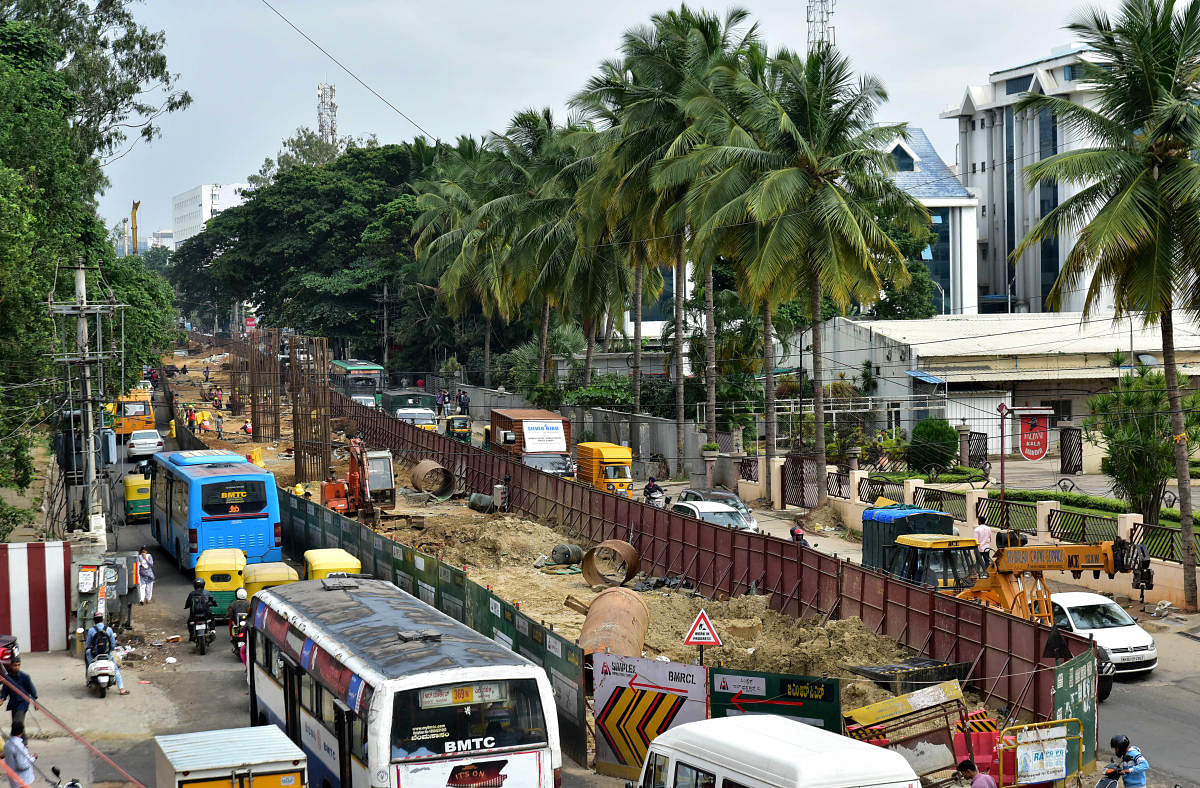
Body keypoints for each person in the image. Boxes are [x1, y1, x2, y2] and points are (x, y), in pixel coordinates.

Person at [84, 614, 128, 695]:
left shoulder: (91, 630)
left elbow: (87, 645)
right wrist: (109, 652)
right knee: (116, 669)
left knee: (87, 653)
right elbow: (113, 644)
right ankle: (121, 689)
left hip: (95, 655)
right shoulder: (109, 629)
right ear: (102, 619)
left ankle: (90, 674)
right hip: (107, 654)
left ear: (94, 620)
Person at [0, 659, 36, 726]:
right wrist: (2, 699)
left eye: (18, 665)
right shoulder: (8, 678)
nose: (17, 667)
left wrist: (35, 702)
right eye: (15, 665)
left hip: (23, 703)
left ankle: (18, 736)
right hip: (13, 703)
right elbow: (5, 691)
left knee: (18, 723)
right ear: (11, 666)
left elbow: (32, 690)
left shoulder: (25, 677)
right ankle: (21, 736)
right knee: (15, 725)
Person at [3, 720, 35, 788]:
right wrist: (33, 758)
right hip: (22, 782)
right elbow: (22, 765)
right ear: (22, 731)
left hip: (13, 781)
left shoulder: (7, 743)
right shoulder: (19, 746)